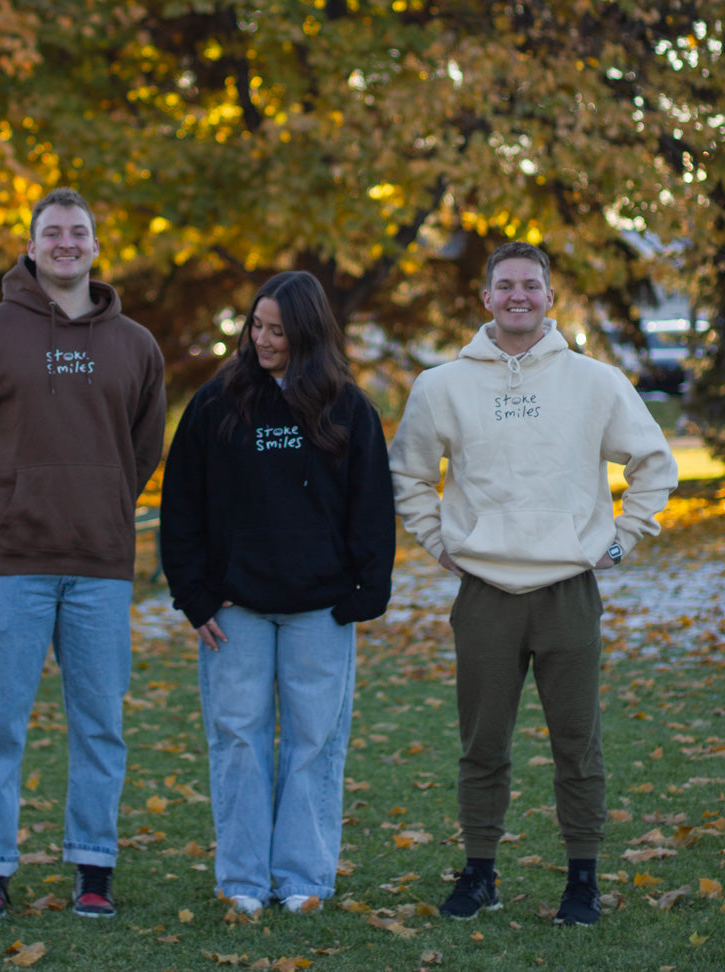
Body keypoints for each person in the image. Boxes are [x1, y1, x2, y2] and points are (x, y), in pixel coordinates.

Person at [389, 240, 678, 927]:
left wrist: (622, 536)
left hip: (567, 592)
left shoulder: (594, 381)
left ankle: (582, 879)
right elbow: (408, 473)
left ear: (550, 298)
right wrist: (438, 542)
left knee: (577, 744)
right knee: (482, 746)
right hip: (485, 592)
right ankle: (480, 872)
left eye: (531, 285)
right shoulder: (442, 385)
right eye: (505, 285)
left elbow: (654, 463)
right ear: (485, 299)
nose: (518, 295)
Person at [0, 186, 165, 921]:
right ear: (31, 247)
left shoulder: (135, 345)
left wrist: (102, 506)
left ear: (96, 246)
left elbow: (144, 448)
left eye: (79, 232)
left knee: (100, 722)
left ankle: (94, 868)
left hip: (98, 565)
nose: (67, 243)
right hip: (13, 562)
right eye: (53, 233)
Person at [159, 270, 395, 916]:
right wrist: (194, 597)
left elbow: (372, 507)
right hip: (234, 610)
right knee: (237, 738)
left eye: (278, 332)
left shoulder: (347, 408)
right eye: (256, 327)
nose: (263, 340)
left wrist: (361, 598)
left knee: (315, 742)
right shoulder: (217, 403)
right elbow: (180, 504)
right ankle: (242, 879)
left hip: (321, 609)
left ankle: (303, 879)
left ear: (309, 335)